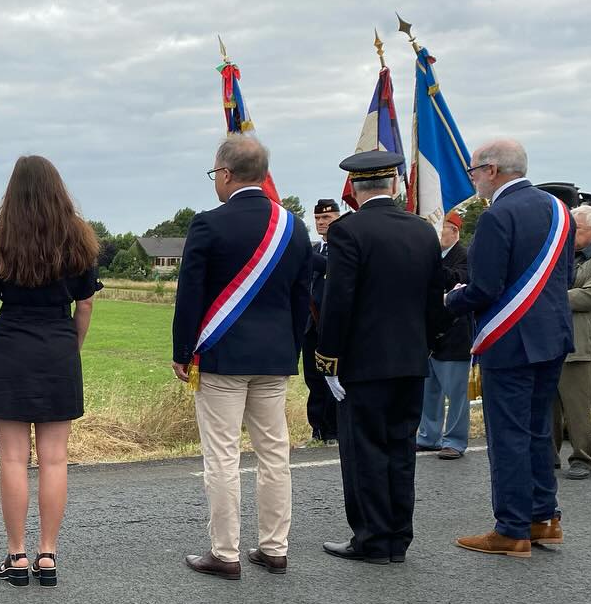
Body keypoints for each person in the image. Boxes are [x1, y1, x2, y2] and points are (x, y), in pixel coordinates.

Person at [172, 136, 312, 579]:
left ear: (227, 174)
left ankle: (225, 552)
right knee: (275, 454)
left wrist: (182, 352)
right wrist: (289, 348)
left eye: (216, 174)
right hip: (274, 357)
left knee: (222, 456)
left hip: (222, 356)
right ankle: (274, 548)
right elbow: (301, 297)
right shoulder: (293, 227)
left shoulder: (209, 224)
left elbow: (190, 295)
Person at [0, 155, 102, 587]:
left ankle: (17, 555)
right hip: (58, 348)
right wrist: (73, 345)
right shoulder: (80, 241)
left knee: (12, 458)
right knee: (55, 458)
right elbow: (84, 304)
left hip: (11, 346)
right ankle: (48, 555)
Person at [315, 152, 445, 565]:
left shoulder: (347, 231)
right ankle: (397, 538)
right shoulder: (423, 231)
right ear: (394, 184)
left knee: (364, 451)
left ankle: (372, 538)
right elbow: (433, 300)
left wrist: (328, 357)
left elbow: (339, 302)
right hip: (410, 359)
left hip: (364, 363)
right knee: (400, 449)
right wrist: (427, 342)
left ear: (353, 189)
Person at [447, 139, 575, 557]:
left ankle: (512, 528)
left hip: (511, 339)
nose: (472, 179)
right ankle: (544, 517)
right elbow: (567, 275)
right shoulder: (559, 210)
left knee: (509, 436)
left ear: (493, 170)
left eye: (473, 171)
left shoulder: (498, 215)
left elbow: (484, 288)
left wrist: (450, 299)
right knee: (539, 429)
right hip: (552, 336)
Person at [553, 204, 591, 480]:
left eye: (576, 228)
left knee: (578, 408)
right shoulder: (562, 256)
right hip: (552, 340)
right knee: (548, 406)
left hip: (580, 344)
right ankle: (548, 456)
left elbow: (589, 296)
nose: (571, 234)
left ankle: (582, 458)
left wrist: (550, 296)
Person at [415, 210, 472, 459]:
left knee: (456, 392)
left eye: (440, 229)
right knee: (429, 390)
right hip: (428, 333)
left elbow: (457, 280)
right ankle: (429, 436)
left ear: (454, 232)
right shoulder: (432, 255)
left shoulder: (465, 256)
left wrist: (429, 262)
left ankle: (456, 440)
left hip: (454, 332)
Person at [302, 198, 340, 443]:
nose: (321, 222)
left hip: (333, 323)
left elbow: (333, 268)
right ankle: (317, 428)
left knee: (332, 379)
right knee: (313, 379)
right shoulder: (315, 250)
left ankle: (334, 430)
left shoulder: (344, 249)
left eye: (326, 218)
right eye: (317, 218)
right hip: (311, 324)